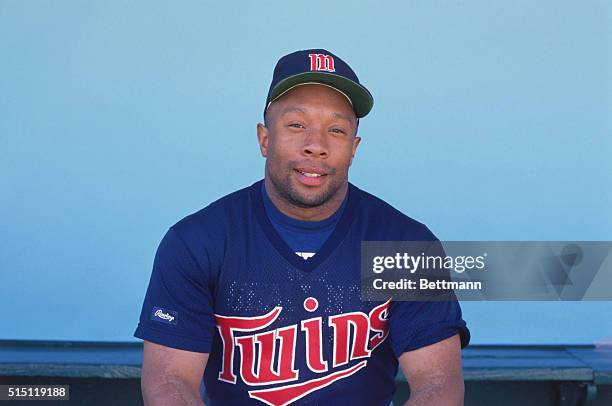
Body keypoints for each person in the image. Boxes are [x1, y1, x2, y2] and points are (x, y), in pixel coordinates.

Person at [134, 49, 470, 406]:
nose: (316, 146)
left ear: (353, 149)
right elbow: (170, 381)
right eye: (296, 125)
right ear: (265, 139)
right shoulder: (199, 242)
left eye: (336, 130)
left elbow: (438, 384)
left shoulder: (406, 246)